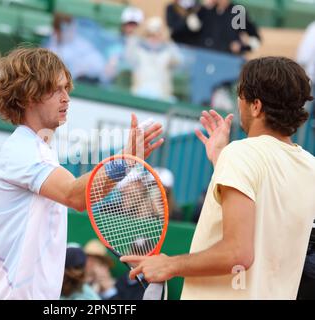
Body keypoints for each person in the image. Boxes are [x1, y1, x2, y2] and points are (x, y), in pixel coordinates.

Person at [121, 56, 315, 299]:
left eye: (241, 98)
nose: (238, 104)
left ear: (256, 106)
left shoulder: (241, 154)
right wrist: (221, 161)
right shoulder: (309, 167)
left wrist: (168, 265)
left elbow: (238, 253)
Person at [0, 47, 164, 300]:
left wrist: (126, 161)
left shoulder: (40, 151)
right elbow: (75, 196)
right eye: (56, 90)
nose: (66, 98)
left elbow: (83, 195)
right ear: (28, 96)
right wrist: (123, 159)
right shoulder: (21, 150)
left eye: (66, 88)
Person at [127, 16, 182, 102]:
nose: (154, 38)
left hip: (162, 96)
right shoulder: (139, 50)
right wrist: (142, 29)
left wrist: (167, 39)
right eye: (150, 35)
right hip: (140, 93)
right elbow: (128, 54)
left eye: (157, 35)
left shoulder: (167, 52)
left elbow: (179, 60)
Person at [46, 13, 106, 84]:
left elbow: (99, 64)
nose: (72, 32)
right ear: (57, 31)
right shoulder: (50, 49)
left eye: (72, 28)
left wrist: (85, 67)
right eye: (67, 29)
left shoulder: (81, 42)